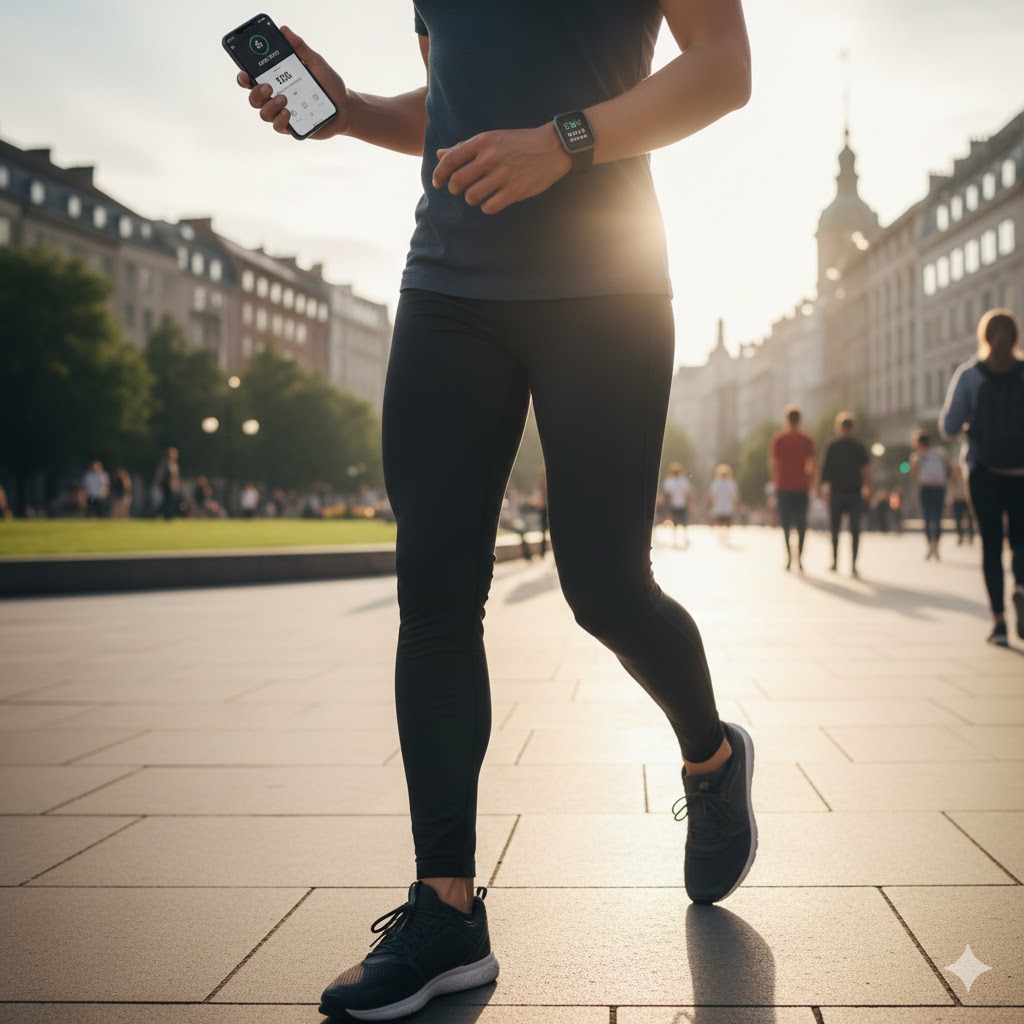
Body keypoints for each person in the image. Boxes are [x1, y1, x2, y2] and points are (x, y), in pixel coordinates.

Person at [236, 4, 755, 1019]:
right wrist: (345, 111)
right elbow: (453, 106)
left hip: (606, 281)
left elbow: (723, 68)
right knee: (434, 595)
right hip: (449, 284)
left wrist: (566, 143)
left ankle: (711, 752)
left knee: (603, 587)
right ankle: (447, 913)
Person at [941, 308, 1024, 647]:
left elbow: (948, 427)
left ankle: (1000, 623)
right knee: (1021, 541)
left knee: (991, 545)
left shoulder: (970, 376)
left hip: (983, 470)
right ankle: (1020, 587)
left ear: (984, 337)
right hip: (1022, 472)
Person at [820, 412, 871, 577]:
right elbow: (866, 470)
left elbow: (825, 471)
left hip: (838, 493)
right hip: (853, 492)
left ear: (839, 428)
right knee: (854, 530)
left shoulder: (833, 446)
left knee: (836, 529)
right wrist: (867, 487)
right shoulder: (859, 446)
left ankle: (836, 562)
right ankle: (853, 563)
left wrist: (822, 489)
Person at [769, 404, 815, 571]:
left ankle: (789, 556)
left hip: (784, 488)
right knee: (802, 524)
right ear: (800, 419)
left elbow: (774, 464)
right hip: (802, 487)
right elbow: (810, 465)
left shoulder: (779, 439)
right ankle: (800, 557)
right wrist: (810, 483)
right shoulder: (807, 440)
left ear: (786, 419)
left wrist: (776, 483)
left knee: (786, 524)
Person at [910, 430, 950, 561]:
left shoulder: (916, 456)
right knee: (938, 518)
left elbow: (914, 475)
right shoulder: (940, 453)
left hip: (925, 489)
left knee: (927, 519)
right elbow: (947, 469)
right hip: (939, 488)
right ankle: (936, 546)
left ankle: (930, 546)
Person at [662, 461, 693, 548]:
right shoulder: (669, 481)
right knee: (674, 523)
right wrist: (666, 504)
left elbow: (688, 493)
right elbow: (666, 494)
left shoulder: (683, 480)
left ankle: (685, 538)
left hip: (682, 504)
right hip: (673, 505)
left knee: (684, 522)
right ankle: (675, 540)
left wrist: (689, 501)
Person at [707, 464, 740, 533]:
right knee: (719, 520)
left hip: (728, 506)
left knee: (728, 520)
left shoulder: (731, 483)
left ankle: (726, 532)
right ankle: (720, 532)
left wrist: (736, 503)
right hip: (718, 505)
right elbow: (712, 495)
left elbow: (735, 494)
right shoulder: (716, 483)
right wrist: (710, 502)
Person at [153, 447, 182, 521]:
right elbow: (160, 474)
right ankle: (165, 516)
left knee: (171, 501)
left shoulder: (174, 464)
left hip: (173, 486)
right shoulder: (165, 463)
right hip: (166, 485)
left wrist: (177, 484)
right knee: (167, 500)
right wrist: (158, 482)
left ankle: (168, 515)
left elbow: (176, 476)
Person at [948, 465, 974, 546]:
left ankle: (970, 536)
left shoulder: (964, 478)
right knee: (958, 520)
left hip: (966, 501)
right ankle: (960, 536)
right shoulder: (951, 480)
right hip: (956, 501)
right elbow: (950, 492)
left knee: (970, 520)